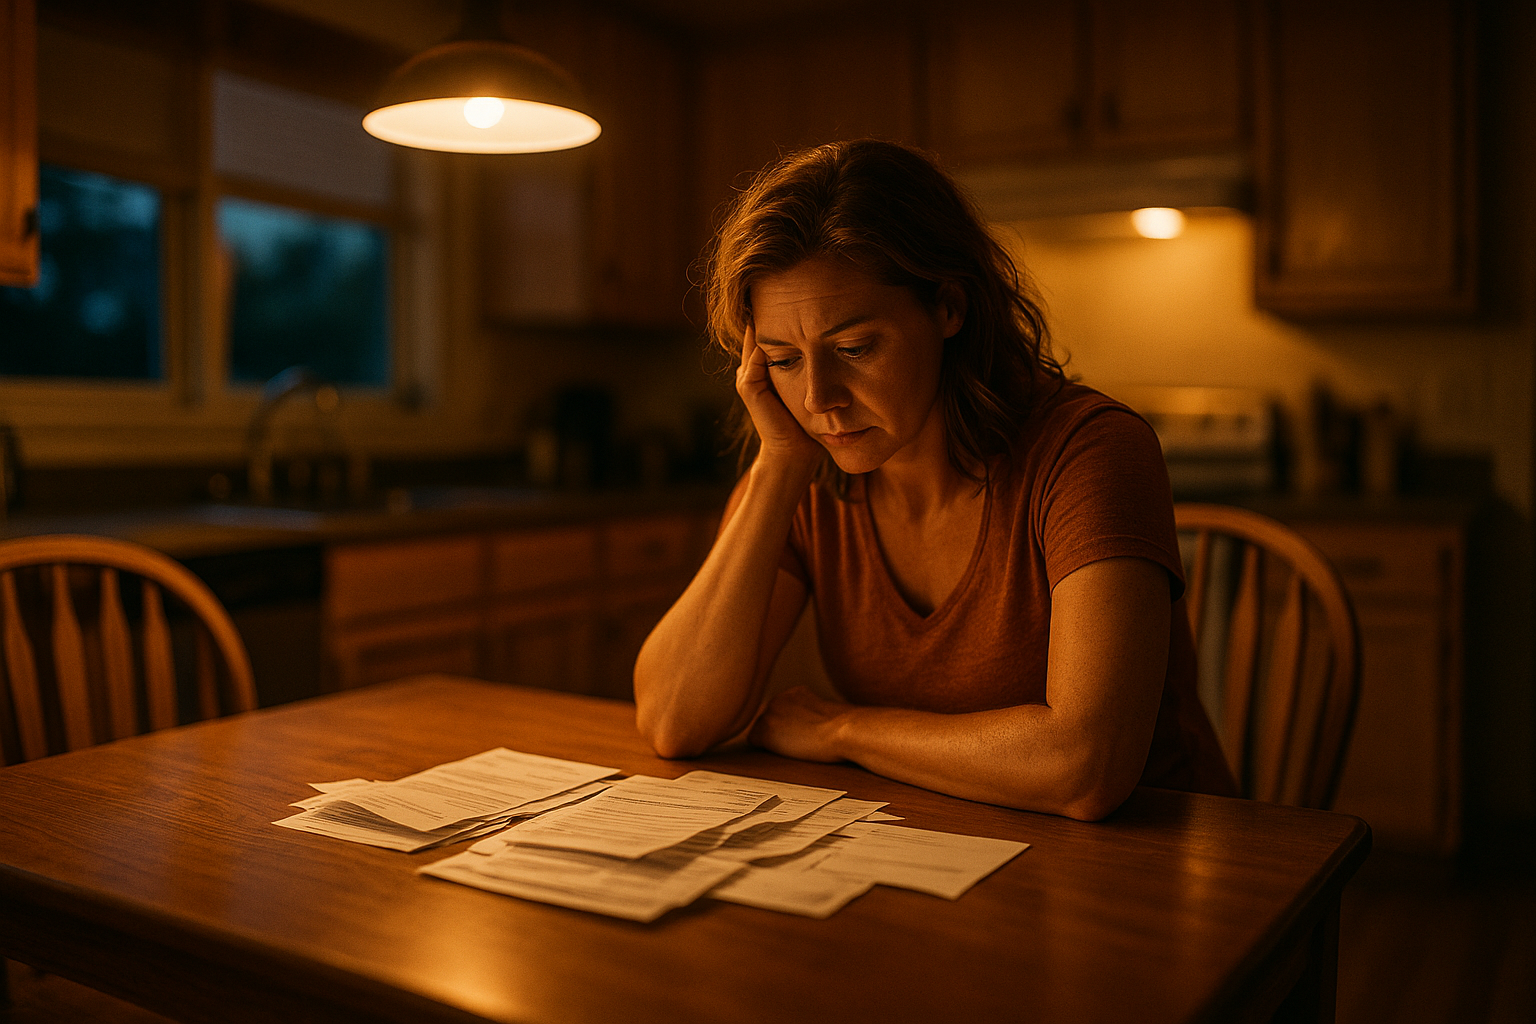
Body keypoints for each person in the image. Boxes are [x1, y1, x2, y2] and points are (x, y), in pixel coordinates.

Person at [633, 140, 1236, 821]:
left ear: (949, 306)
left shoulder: (1089, 451)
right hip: (947, 844)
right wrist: (777, 468)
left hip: (1156, 869)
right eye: (783, 359)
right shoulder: (806, 473)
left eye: (855, 348)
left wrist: (843, 728)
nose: (820, 398)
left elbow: (1083, 766)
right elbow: (672, 720)